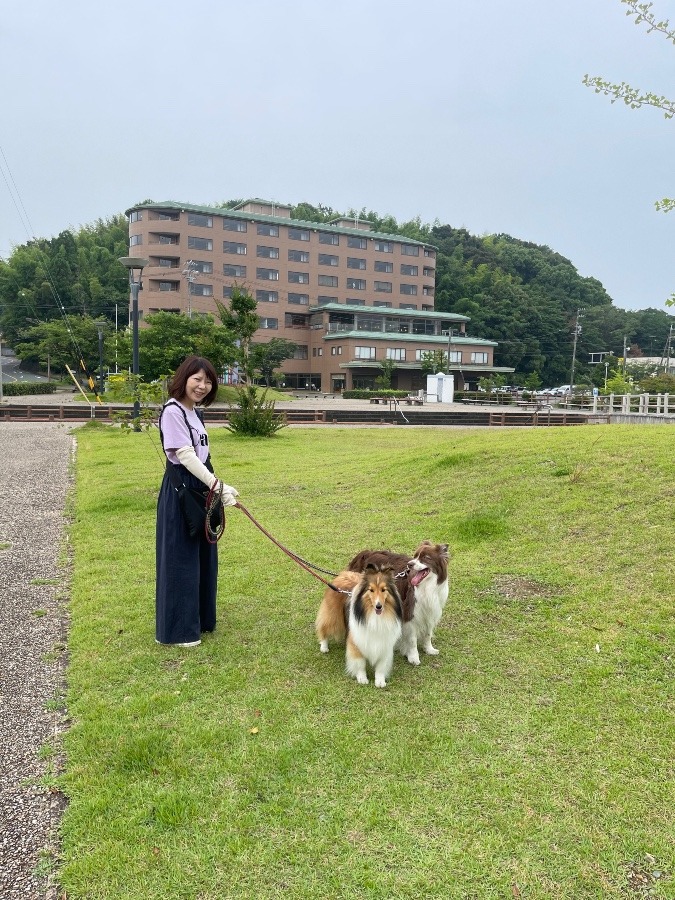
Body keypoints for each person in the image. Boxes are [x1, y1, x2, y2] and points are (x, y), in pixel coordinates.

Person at [156, 356, 239, 647]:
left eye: (208, 381)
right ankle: (178, 631)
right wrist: (217, 485)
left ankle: (202, 620)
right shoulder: (173, 411)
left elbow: (204, 456)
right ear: (184, 379)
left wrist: (219, 487)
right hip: (181, 488)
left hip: (201, 487)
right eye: (197, 379)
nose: (203, 386)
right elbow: (185, 455)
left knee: (204, 556)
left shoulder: (195, 413)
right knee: (181, 558)